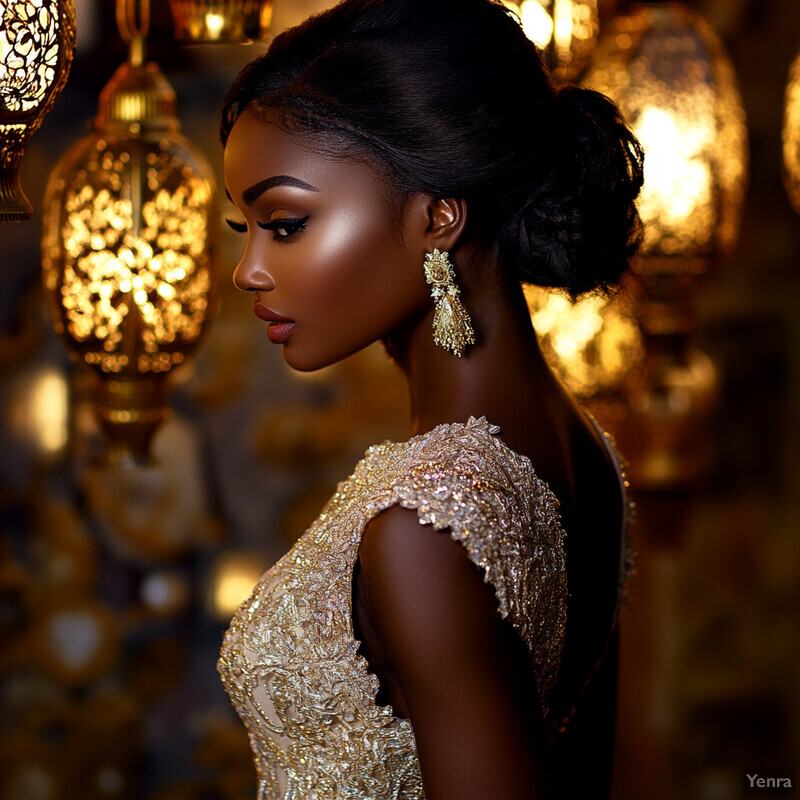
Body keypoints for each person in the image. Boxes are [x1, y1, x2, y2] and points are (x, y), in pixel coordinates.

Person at [216, 0, 642, 797]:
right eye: (244, 226)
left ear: (437, 218)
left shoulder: (422, 524)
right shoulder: (582, 449)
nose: (248, 270)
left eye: (283, 222)